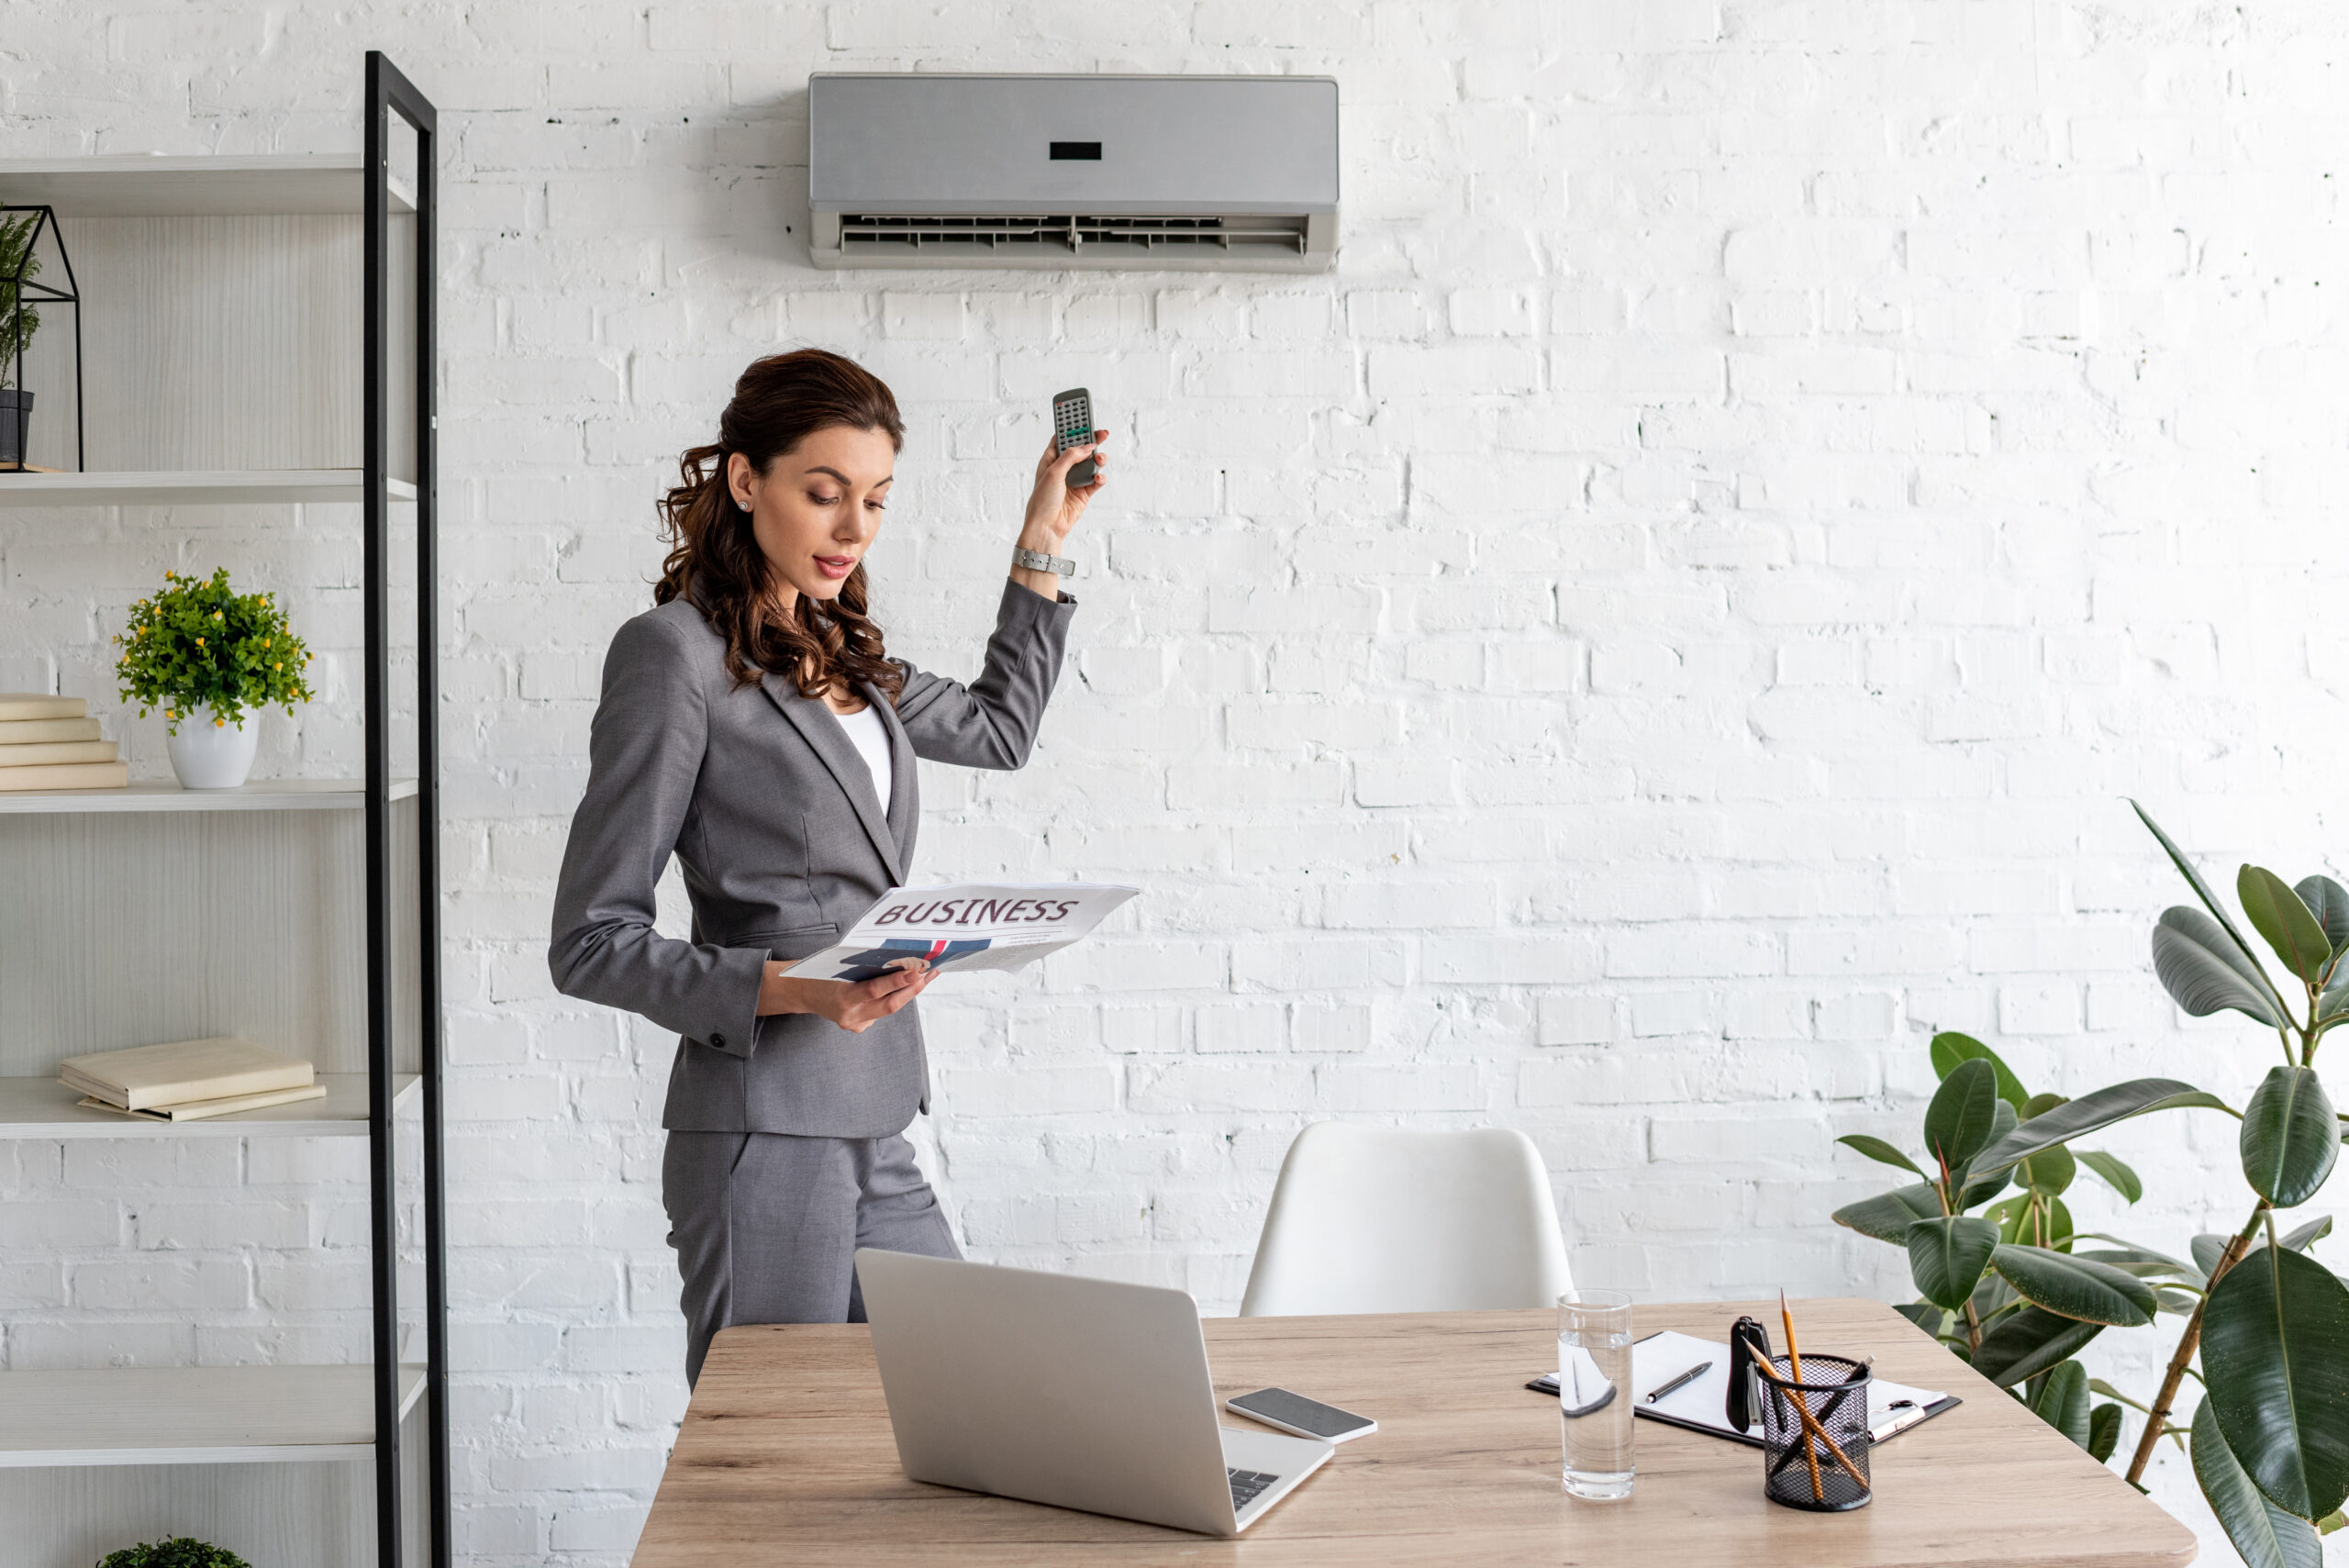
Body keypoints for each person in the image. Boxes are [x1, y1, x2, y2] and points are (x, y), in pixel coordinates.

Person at [548, 348, 1104, 1385]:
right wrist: (786, 987)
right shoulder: (671, 656)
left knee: (965, 1402)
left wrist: (1043, 537)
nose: (854, 529)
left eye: (877, 501)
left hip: (876, 1113)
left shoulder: (848, 654)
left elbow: (1000, 729)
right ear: (746, 481)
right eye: (824, 493)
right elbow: (589, 941)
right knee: (763, 1462)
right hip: (762, 1129)